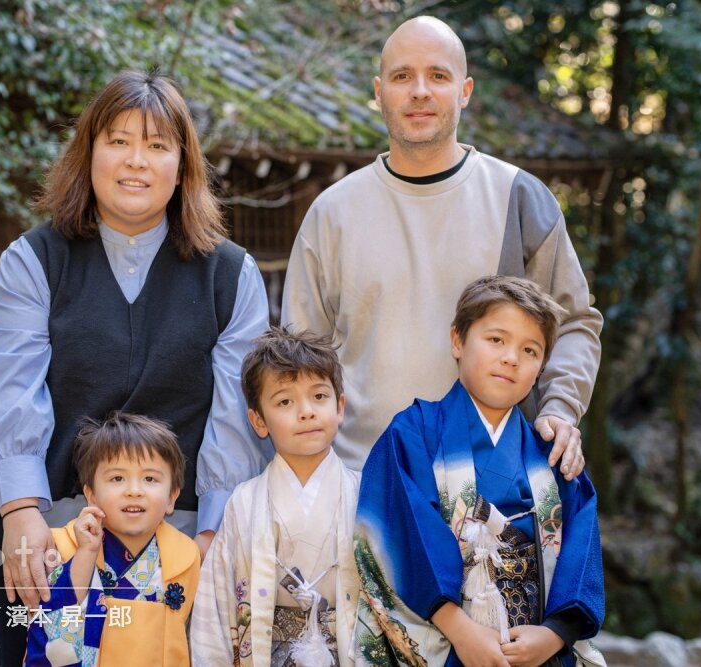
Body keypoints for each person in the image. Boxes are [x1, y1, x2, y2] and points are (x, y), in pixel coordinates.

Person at [0, 68, 270, 665]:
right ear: (88, 153)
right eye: (119, 141)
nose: (136, 161)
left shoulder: (230, 275)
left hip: (179, 541)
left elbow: (238, 420)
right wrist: (20, 513)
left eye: (157, 145)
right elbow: (6, 391)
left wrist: (212, 538)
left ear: (182, 166)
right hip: (47, 528)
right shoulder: (34, 260)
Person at [281, 15, 601, 482]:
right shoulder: (332, 213)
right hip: (360, 479)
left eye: (437, 75)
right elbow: (299, 357)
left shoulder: (518, 199)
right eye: (401, 76)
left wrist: (560, 408)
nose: (419, 91)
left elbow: (573, 321)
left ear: (464, 91)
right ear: (379, 92)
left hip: (493, 484)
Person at [353, 276, 606, 667]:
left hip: (534, 648)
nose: (511, 358)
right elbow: (400, 534)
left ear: (541, 367)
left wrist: (554, 634)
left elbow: (581, 549)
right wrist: (459, 629)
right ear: (457, 340)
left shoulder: (551, 449)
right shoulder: (414, 433)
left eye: (530, 350)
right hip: (450, 643)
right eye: (496, 340)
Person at [190, 327, 361, 666]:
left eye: (319, 396)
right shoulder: (243, 501)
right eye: (285, 402)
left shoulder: (364, 493)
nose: (306, 412)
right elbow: (215, 603)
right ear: (258, 421)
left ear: (340, 406)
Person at [23, 412, 199, 666]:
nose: (134, 491)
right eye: (117, 478)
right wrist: (85, 554)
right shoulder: (60, 544)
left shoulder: (185, 555)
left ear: (172, 497)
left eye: (150, 479)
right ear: (91, 495)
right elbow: (50, 624)